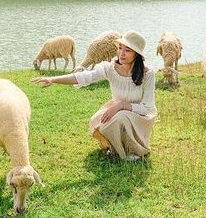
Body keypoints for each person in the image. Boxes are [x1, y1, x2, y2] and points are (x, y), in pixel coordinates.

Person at [31, 30, 156, 161]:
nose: (121, 53)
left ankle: (133, 150)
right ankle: (117, 148)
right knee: (102, 120)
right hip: (117, 110)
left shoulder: (147, 74)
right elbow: (84, 76)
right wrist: (53, 79)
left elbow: (147, 108)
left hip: (140, 116)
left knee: (120, 117)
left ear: (137, 55)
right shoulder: (110, 68)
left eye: (128, 50)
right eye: (120, 48)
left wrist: (121, 106)